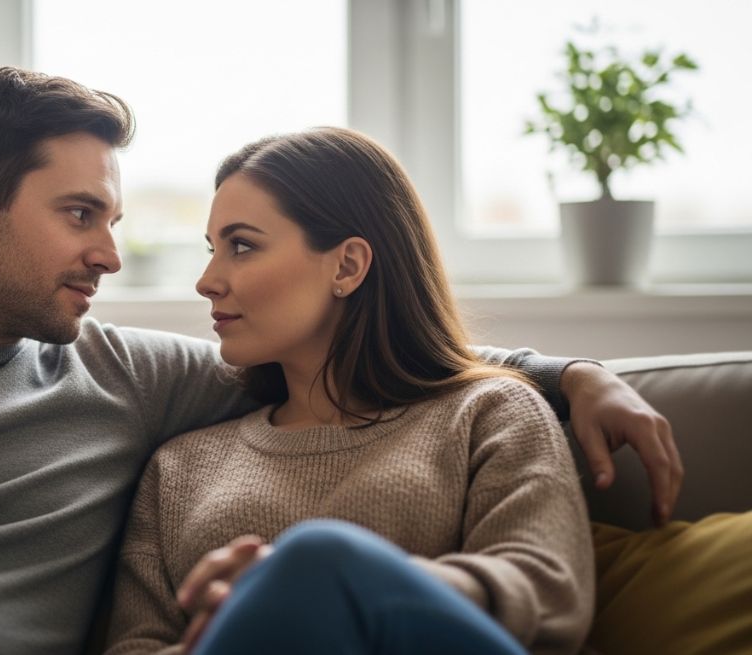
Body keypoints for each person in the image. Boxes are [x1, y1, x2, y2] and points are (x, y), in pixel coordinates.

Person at [0, 69, 678, 655]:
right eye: (81, 212)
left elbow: (378, 363)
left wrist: (568, 371)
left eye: (116, 217)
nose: (111, 253)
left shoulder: (129, 377)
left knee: (319, 565)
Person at [105, 128, 595, 655]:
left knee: (319, 557)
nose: (207, 280)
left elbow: (551, 596)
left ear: (348, 265)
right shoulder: (179, 468)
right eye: (212, 249)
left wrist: (328, 584)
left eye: (242, 246)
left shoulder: (491, 413)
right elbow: (135, 646)